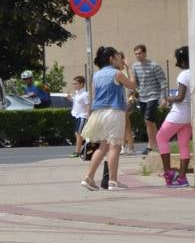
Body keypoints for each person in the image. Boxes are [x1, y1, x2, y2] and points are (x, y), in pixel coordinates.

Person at [79, 46, 137, 191]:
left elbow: (93, 97)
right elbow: (133, 86)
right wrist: (129, 70)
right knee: (115, 146)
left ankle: (89, 177)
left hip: (98, 113)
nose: (121, 60)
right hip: (114, 111)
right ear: (112, 58)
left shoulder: (97, 75)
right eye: (118, 57)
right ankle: (113, 181)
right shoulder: (117, 73)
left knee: (103, 146)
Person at [157, 45, 191, 187]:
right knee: (184, 145)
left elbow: (180, 97)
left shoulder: (183, 74)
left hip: (179, 113)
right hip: (190, 114)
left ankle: (168, 172)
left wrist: (167, 99)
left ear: (181, 61)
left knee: (161, 137)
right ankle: (182, 177)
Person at [130, 44, 168, 155]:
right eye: (136, 54)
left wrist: (163, 97)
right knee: (150, 123)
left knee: (148, 120)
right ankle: (158, 144)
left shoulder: (154, 65)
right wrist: (132, 95)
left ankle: (150, 145)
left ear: (145, 53)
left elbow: (162, 81)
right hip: (142, 97)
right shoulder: (135, 66)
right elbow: (135, 82)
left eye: (140, 53)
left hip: (153, 96)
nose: (138, 55)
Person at [69, 74, 90, 157]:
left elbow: (88, 105)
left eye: (75, 84)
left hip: (82, 116)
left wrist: (88, 116)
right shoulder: (77, 93)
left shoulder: (85, 94)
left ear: (81, 84)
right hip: (76, 115)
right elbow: (76, 103)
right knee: (77, 134)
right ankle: (82, 149)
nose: (74, 85)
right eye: (73, 84)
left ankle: (77, 151)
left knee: (79, 134)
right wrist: (70, 98)